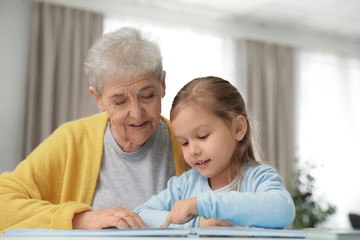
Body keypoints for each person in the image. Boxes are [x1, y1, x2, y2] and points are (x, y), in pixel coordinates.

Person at [0, 27, 190, 233]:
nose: (136, 113)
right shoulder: (72, 140)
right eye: (119, 102)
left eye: (147, 96)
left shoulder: (189, 142)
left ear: (162, 84)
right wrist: (79, 219)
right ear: (98, 99)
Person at [135, 76, 295, 228]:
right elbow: (140, 215)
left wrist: (203, 205)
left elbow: (284, 209)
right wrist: (195, 224)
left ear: (238, 128)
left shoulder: (257, 178)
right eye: (184, 143)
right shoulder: (184, 186)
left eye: (203, 136)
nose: (193, 151)